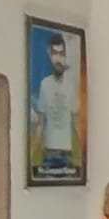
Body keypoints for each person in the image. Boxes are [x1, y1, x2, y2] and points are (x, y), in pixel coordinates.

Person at [31, 31, 79, 174]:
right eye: (55, 54)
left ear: (66, 56)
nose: (58, 59)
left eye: (61, 54)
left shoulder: (70, 87)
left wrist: (81, 157)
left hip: (67, 154)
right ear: (50, 56)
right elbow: (40, 123)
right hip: (49, 152)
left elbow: (76, 123)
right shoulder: (45, 85)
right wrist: (31, 156)